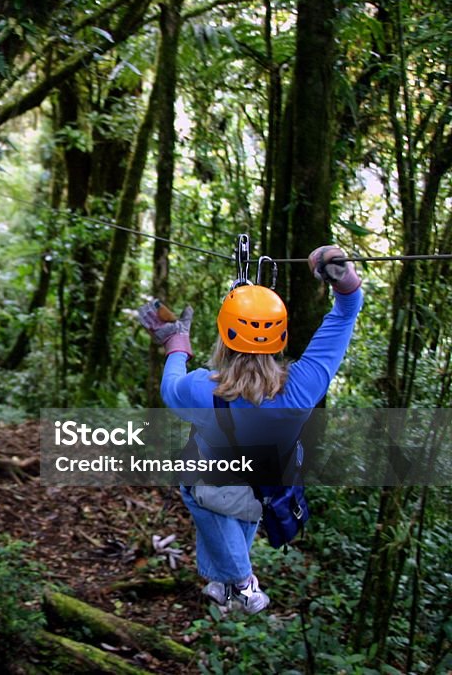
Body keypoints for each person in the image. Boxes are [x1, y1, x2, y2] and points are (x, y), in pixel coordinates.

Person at [138, 245, 363, 614]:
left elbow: (169, 387)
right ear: (281, 337)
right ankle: (224, 584)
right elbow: (344, 317)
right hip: (270, 488)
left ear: (225, 335)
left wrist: (176, 345)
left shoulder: (203, 388)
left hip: (222, 487)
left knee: (192, 479)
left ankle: (242, 583)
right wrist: (344, 279)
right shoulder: (304, 384)